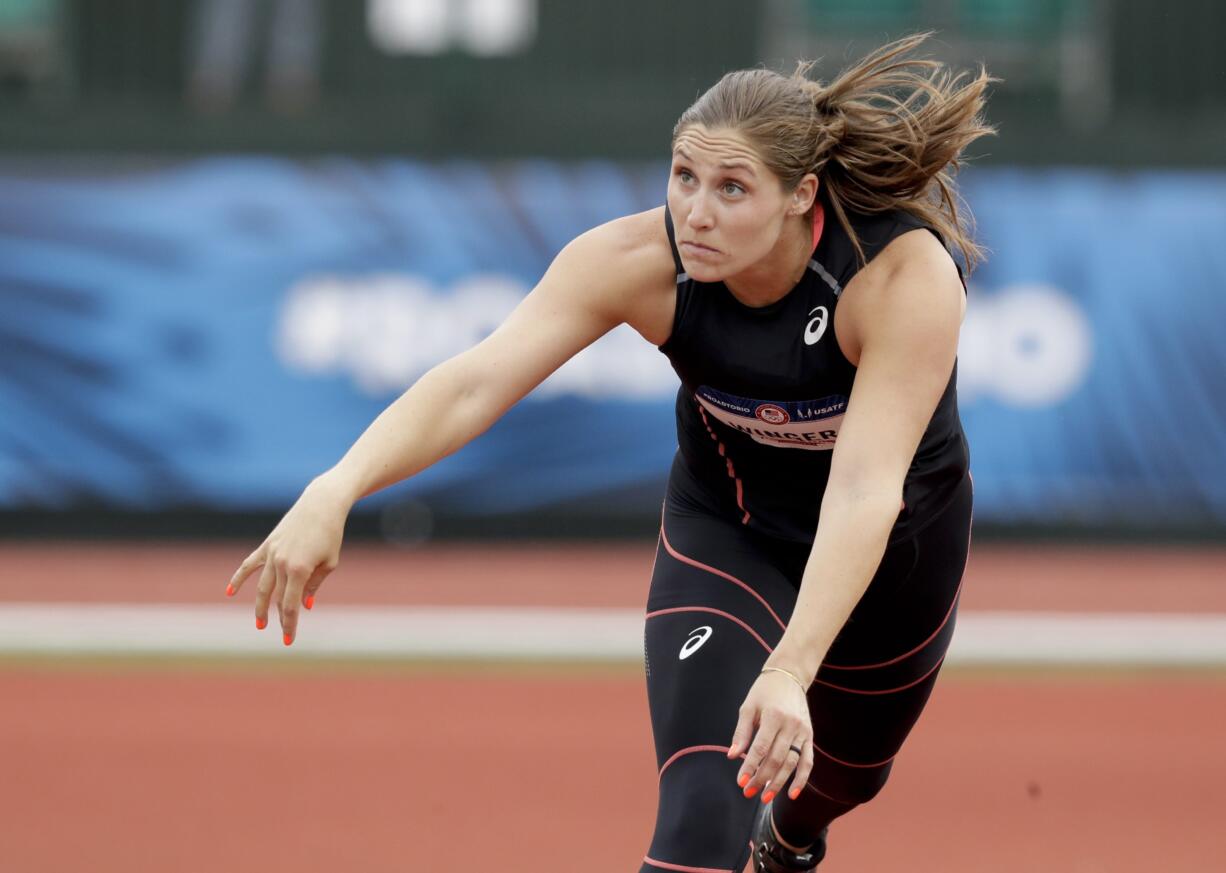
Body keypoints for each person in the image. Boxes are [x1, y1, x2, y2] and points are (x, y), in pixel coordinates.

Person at [227, 32, 993, 872]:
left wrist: (790, 667)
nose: (695, 212)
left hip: (893, 553)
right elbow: (476, 381)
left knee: (843, 779)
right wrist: (335, 489)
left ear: (799, 195)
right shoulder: (638, 260)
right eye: (683, 176)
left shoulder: (898, 278)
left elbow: (863, 491)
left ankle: (795, 840)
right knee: (705, 816)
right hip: (730, 533)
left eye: (732, 188)